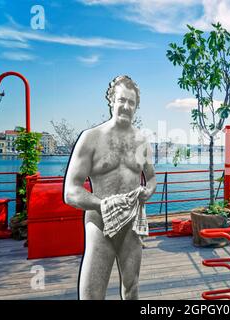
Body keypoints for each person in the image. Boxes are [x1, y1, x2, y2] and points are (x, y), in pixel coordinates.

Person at [64, 75, 156, 300]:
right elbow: (71, 191)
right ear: (111, 101)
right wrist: (103, 204)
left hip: (131, 224)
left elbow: (151, 178)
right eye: (121, 100)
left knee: (131, 289)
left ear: (136, 106)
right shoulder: (91, 138)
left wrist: (148, 191)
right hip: (99, 224)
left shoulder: (142, 140)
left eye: (131, 102)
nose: (126, 106)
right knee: (91, 296)